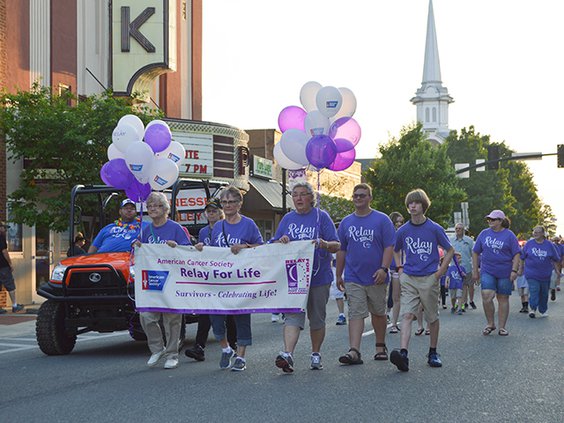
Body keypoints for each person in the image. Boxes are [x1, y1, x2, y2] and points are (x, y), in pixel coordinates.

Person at [272, 182, 340, 373]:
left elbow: (336, 245)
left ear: (312, 198)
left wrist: (323, 243)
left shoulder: (322, 217)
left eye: (303, 194)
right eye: (295, 195)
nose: (299, 198)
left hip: (318, 277)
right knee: (293, 316)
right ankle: (287, 355)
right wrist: (281, 241)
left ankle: (315, 353)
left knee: (317, 318)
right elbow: (274, 243)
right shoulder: (287, 219)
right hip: (294, 277)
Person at [196, 186, 263, 371]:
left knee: (241, 317)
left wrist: (244, 246)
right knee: (215, 315)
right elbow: (213, 252)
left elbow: (261, 247)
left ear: (239, 204)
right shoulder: (218, 226)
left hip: (241, 280)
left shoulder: (248, 224)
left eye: (232, 202)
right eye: (224, 202)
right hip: (220, 280)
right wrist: (202, 248)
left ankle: (241, 356)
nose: (228, 205)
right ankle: (226, 348)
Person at [390, 189, 454, 372]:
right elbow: (396, 249)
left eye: (416, 203)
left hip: (429, 278)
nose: (412, 206)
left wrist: (440, 272)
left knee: (431, 317)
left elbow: (449, 250)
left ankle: (433, 352)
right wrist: (399, 268)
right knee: (407, 315)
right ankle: (403, 354)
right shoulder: (403, 230)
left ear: (423, 205)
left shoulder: (434, 228)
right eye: (410, 203)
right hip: (409, 277)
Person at [336, 183, 395, 365]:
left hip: (377, 276)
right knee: (355, 312)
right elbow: (341, 250)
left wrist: (384, 268)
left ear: (370, 197)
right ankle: (354, 350)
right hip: (354, 276)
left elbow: (389, 246)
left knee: (378, 312)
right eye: (356, 196)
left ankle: (380, 346)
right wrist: (339, 275)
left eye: (362, 195)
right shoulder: (346, 222)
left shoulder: (382, 220)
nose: (359, 198)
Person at [133, 192, 192, 370]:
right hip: (152, 280)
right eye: (150, 206)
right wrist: (137, 245)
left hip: (172, 280)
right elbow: (142, 252)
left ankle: (172, 354)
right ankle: (157, 348)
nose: (152, 209)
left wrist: (176, 246)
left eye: (157, 206)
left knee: (172, 319)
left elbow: (187, 250)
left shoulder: (175, 228)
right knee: (146, 316)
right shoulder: (146, 229)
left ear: (165, 209)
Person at [184, 198, 237, 362]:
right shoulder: (203, 231)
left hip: (227, 275)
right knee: (205, 311)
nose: (211, 214)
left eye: (214, 211)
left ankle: (233, 345)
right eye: (209, 211)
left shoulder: (228, 228)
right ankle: (199, 347)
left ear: (221, 213)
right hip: (209, 276)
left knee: (229, 312)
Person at [472, 210, 520, 337]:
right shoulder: (484, 234)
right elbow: (475, 252)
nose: (490, 222)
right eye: (489, 219)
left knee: (502, 298)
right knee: (487, 296)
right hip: (487, 270)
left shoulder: (509, 235)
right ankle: (490, 323)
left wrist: (514, 270)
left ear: (500, 221)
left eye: (493, 219)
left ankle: (502, 327)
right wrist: (475, 270)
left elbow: (516, 254)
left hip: (505, 271)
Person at [521, 226, 561, 318]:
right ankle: (533, 309)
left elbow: (555, 259)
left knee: (544, 293)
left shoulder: (549, 245)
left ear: (543, 234)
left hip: (545, 274)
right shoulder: (529, 244)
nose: (535, 233)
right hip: (531, 273)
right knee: (534, 290)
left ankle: (543, 310)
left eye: (538, 232)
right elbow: (522, 257)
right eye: (534, 232)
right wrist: (520, 268)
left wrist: (557, 271)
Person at [0, 222, 25, 314]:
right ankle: (14, 305)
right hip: (3, 266)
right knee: (10, 285)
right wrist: (10, 263)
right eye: (4, 228)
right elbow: (4, 252)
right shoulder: (1, 238)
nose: (5, 230)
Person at [451, 223, 476, 310]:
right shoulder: (451, 241)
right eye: (456, 228)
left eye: (460, 228)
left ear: (463, 230)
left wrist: (475, 267)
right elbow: (448, 254)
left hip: (467, 266)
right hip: (455, 268)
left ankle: (471, 300)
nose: (458, 230)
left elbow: (474, 254)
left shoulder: (469, 241)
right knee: (461, 286)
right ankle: (463, 302)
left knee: (470, 285)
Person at [387, 211, 404, 333]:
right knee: (383, 297)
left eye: (401, 222)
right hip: (386, 268)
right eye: (396, 222)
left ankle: (394, 324)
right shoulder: (387, 233)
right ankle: (383, 318)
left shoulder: (403, 233)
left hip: (398, 268)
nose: (399, 224)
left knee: (396, 297)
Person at [330, 254, 347, 325]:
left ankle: (354, 313)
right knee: (338, 291)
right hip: (336, 268)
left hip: (350, 267)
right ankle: (341, 314)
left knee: (352, 290)